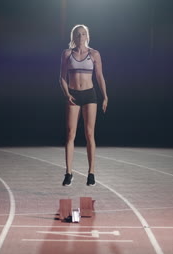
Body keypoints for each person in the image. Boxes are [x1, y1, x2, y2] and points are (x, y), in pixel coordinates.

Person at [59, 24, 108, 187]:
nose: (81, 37)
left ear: (87, 36)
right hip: (73, 95)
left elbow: (100, 76)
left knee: (89, 133)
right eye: (78, 34)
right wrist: (67, 94)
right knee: (70, 134)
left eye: (84, 34)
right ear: (73, 37)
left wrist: (105, 96)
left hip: (89, 95)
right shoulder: (67, 54)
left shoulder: (94, 54)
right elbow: (62, 78)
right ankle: (68, 172)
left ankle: (91, 173)